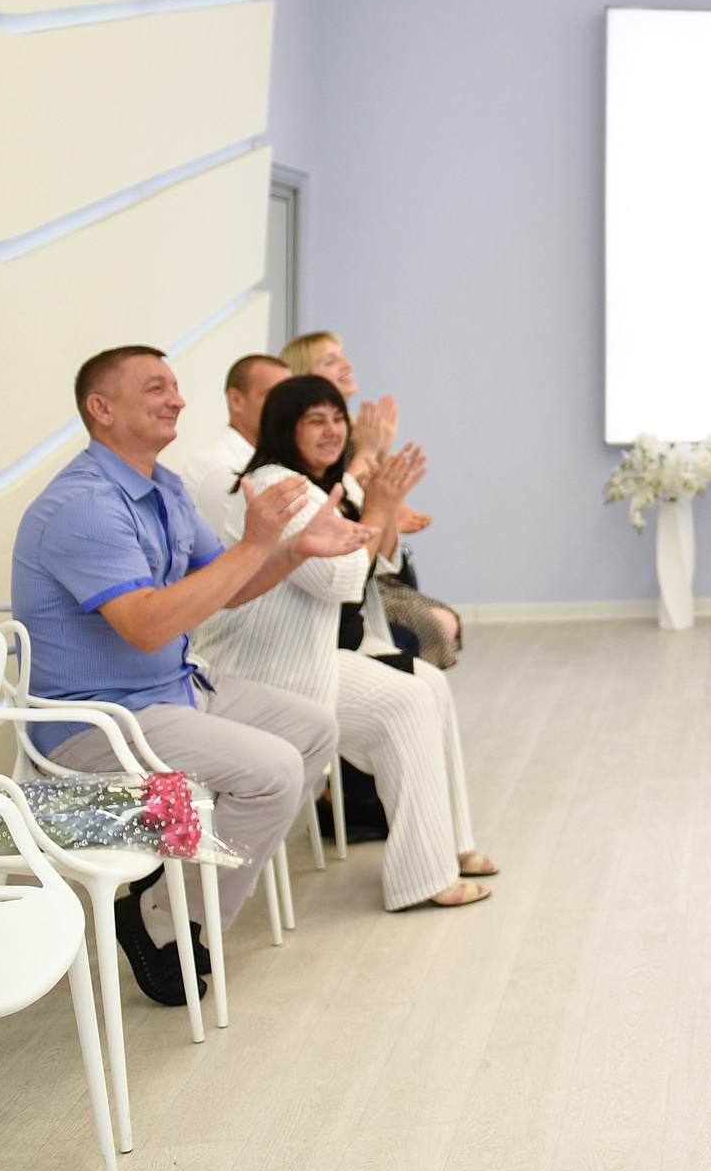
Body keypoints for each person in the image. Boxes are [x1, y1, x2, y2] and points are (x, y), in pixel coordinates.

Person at [12, 346, 356, 1005]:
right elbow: (144, 624)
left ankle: (170, 898)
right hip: (98, 721)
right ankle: (173, 921)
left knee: (314, 730)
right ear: (101, 408)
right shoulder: (85, 504)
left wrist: (288, 551)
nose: (177, 399)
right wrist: (260, 543)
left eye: (175, 386)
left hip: (171, 691)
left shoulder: (161, 486)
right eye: (155, 388)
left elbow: (224, 585)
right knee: (274, 770)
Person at [196, 375, 497, 909]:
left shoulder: (322, 482)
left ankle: (453, 846)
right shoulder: (275, 485)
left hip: (326, 654)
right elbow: (335, 580)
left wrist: (382, 506)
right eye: (316, 420)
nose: (333, 430)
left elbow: (380, 562)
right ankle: (422, 879)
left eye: (338, 418)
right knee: (405, 702)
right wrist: (380, 509)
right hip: (269, 668)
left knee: (430, 684)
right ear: (285, 429)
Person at [281, 329, 460, 662]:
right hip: (345, 584)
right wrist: (372, 455)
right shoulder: (304, 456)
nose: (346, 364)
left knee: (445, 622)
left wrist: (383, 467)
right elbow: (343, 504)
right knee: (435, 627)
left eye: (344, 354)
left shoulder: (357, 429)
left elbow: (373, 508)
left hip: (371, 571)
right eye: (330, 360)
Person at [176, 353, 290, 525]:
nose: (287, 408)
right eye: (274, 396)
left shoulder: (281, 462)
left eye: (288, 398)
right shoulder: (219, 470)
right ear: (236, 400)